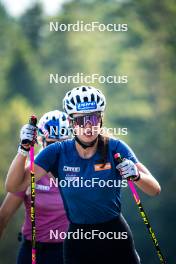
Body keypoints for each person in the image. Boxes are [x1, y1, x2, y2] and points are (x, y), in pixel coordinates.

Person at [5, 86, 161, 264]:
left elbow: (154, 189)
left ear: (101, 120)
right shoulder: (56, 152)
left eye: (93, 118)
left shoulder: (115, 147)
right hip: (78, 241)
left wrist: (136, 176)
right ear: (71, 123)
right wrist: (23, 149)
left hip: (115, 235)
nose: (88, 126)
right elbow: (14, 186)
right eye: (80, 121)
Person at [1, 110, 70, 264]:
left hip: (67, 251)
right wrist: (23, 148)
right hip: (32, 250)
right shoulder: (30, 171)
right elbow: (3, 217)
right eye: (51, 144)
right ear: (41, 141)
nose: (55, 151)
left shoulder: (78, 172)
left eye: (62, 144)